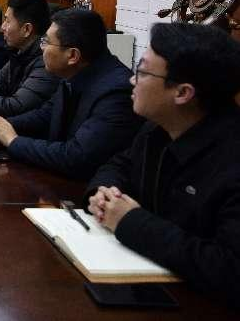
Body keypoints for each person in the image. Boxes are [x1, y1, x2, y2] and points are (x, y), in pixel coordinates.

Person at [86, 23, 240, 307]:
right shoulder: (158, 127)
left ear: (182, 93)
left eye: (142, 72)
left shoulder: (231, 157)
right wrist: (106, 191)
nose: (132, 80)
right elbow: (120, 163)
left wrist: (130, 222)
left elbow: (229, 269)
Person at [0, 9, 142, 180]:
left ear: (72, 55)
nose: (41, 48)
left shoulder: (116, 92)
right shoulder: (76, 72)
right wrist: (1, 126)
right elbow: (45, 115)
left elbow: (76, 157)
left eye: (46, 42)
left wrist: (13, 141)